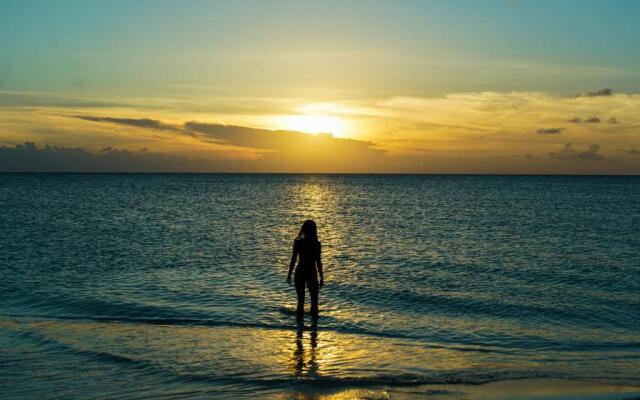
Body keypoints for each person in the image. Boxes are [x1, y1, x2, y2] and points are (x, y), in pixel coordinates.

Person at [287, 220, 324, 317]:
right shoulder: (316, 244)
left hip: (300, 271)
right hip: (311, 271)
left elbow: (293, 259)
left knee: (300, 301)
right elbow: (318, 262)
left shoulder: (298, 242)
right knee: (314, 301)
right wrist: (321, 277)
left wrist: (289, 274)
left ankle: (299, 329)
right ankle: (314, 328)